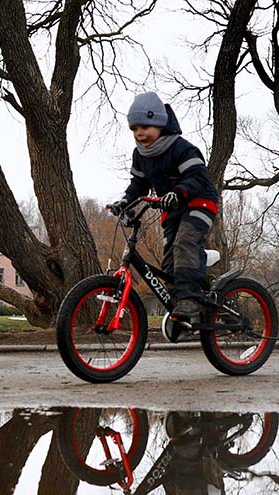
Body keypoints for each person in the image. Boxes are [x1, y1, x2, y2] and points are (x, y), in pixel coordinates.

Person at [107, 92, 220, 323]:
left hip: (200, 202)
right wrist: (125, 202)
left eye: (145, 126)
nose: (139, 133)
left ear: (159, 123)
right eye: (134, 128)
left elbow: (197, 177)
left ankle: (189, 300)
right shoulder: (140, 155)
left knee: (185, 242)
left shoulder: (181, 148)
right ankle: (178, 306)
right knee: (169, 258)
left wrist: (178, 193)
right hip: (173, 208)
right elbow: (138, 185)